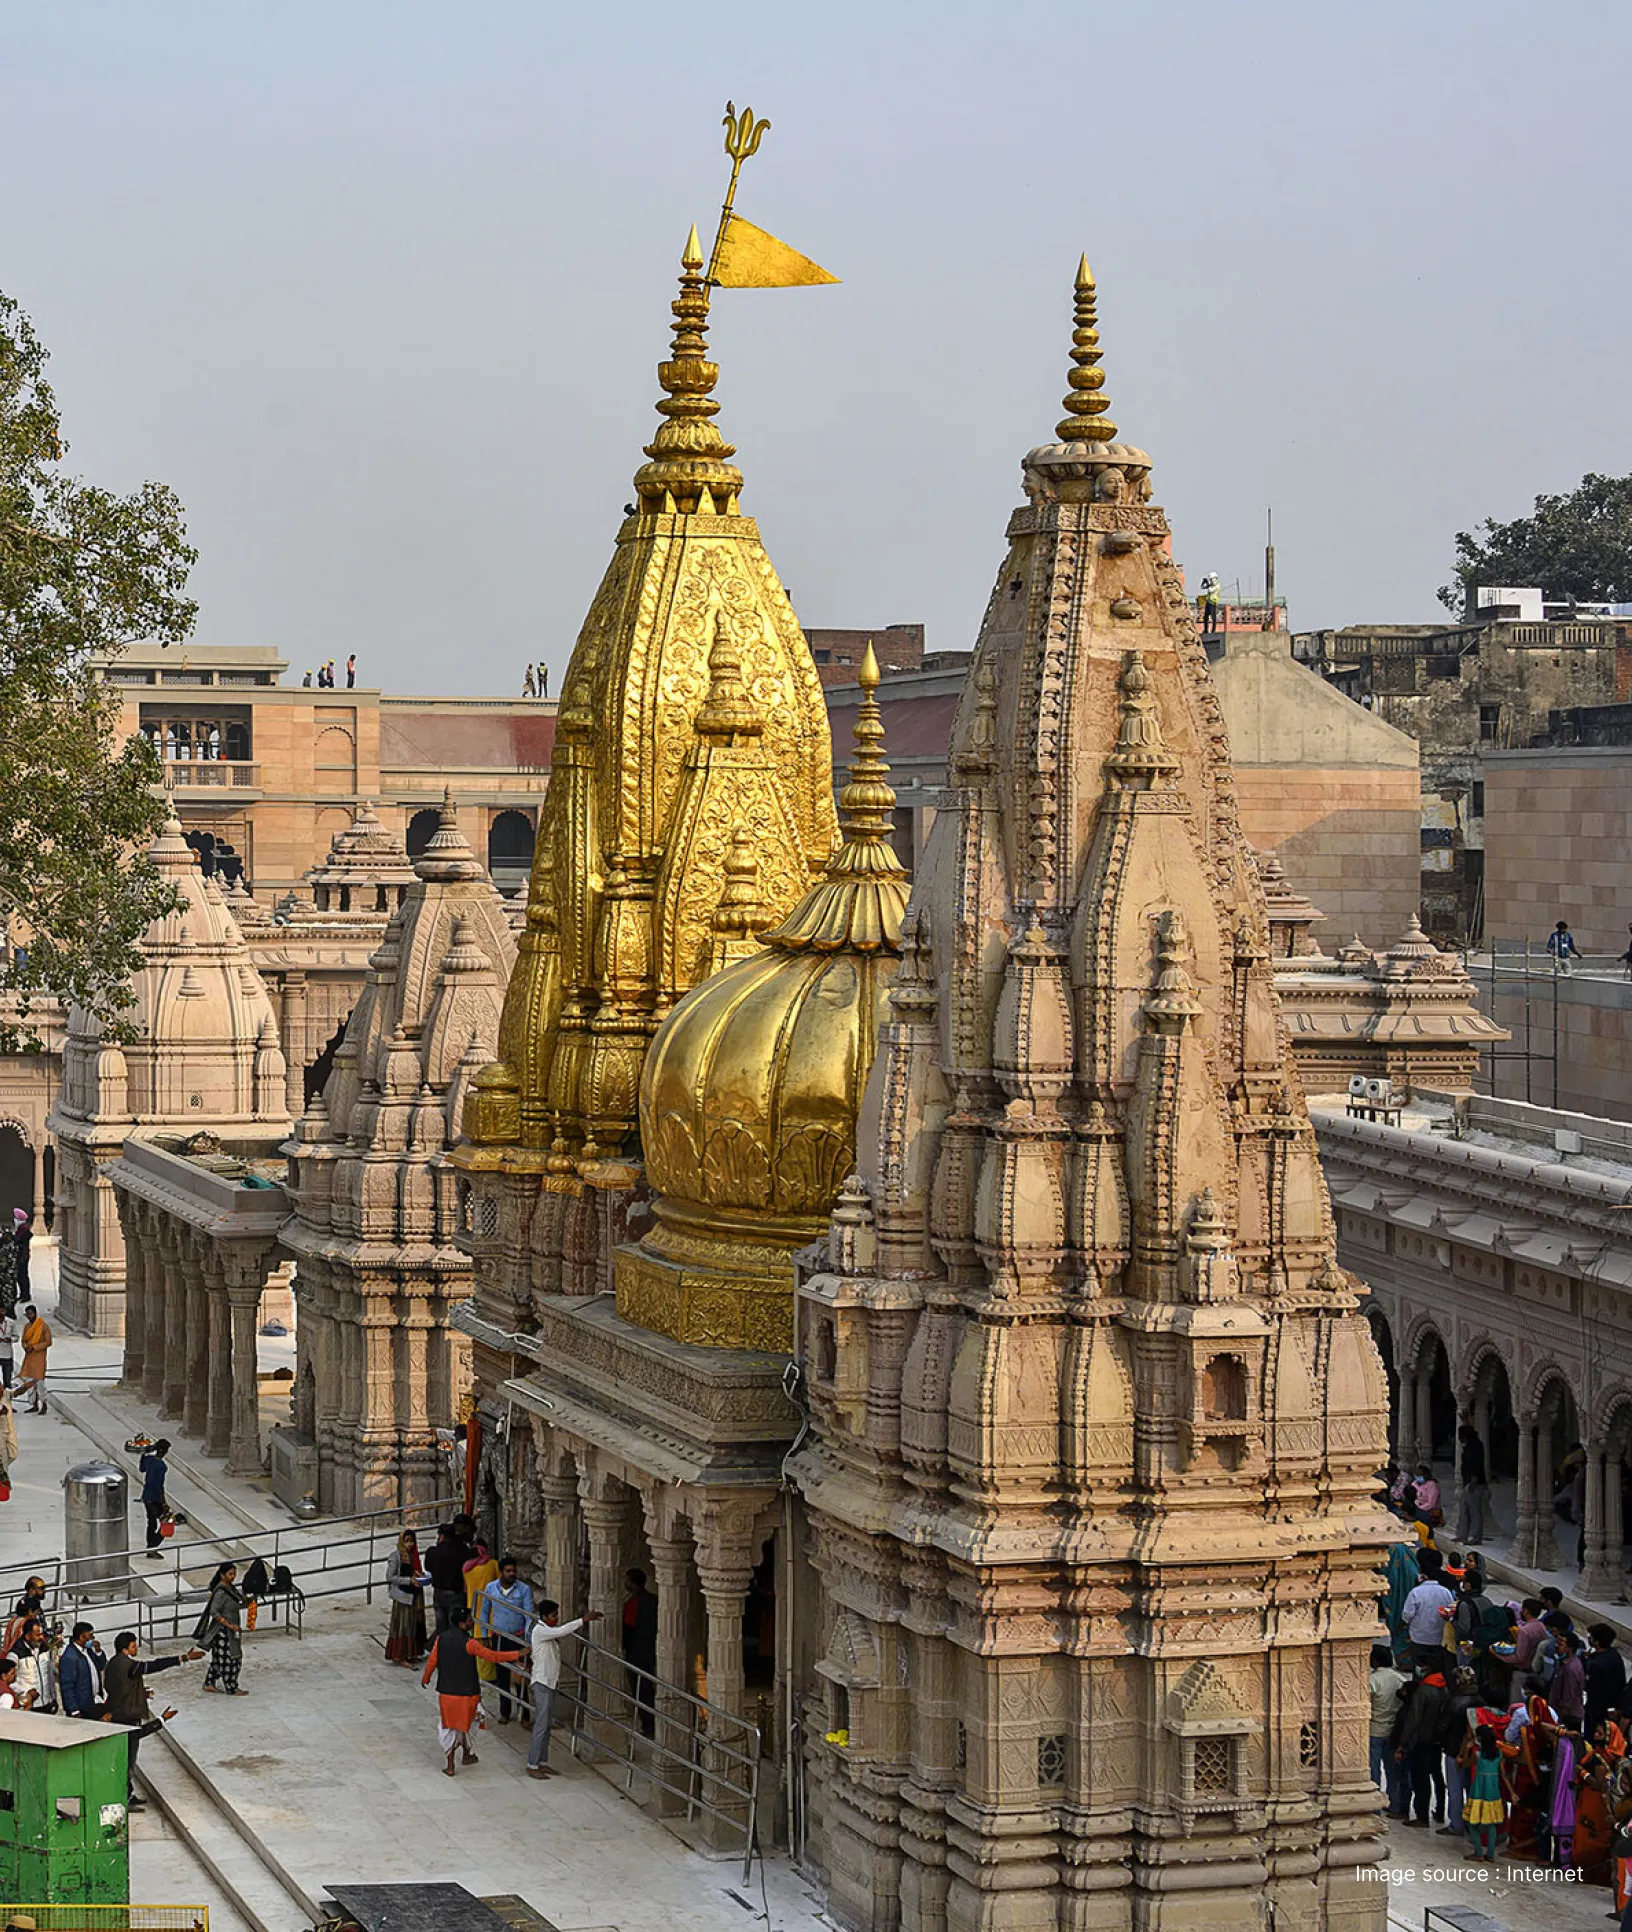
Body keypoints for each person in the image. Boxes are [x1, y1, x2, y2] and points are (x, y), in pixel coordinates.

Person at [419, 1605, 523, 1778]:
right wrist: (517, 1654)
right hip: (468, 1694)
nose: (472, 1622)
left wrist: (426, 1677)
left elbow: (432, 1661)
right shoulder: (470, 1644)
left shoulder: (441, 1639)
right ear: (461, 1624)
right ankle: (465, 1754)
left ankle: (452, 1763)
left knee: (449, 1726)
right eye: (469, 1620)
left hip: (446, 1693)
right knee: (468, 1724)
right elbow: (493, 1656)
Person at [105, 1630, 202, 1807]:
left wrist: (140, 1694)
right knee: (127, 1761)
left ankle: (127, 1793)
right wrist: (182, 1658)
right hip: (127, 1717)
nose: (136, 1649)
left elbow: (121, 1689)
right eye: (134, 1646)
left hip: (117, 1712)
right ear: (125, 1650)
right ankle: (123, 1797)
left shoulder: (112, 1664)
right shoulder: (128, 1665)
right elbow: (154, 1666)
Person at [526, 1599, 600, 1780]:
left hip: (550, 1683)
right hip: (542, 1683)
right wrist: (584, 1620)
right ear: (544, 1616)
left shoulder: (546, 1632)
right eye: (553, 1615)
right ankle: (532, 1763)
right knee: (541, 1726)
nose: (556, 1618)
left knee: (546, 1725)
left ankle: (542, 1762)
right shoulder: (540, 1630)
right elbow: (561, 1631)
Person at [478, 1555, 534, 1723]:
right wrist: (485, 1634)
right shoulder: (491, 1588)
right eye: (508, 1571)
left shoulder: (523, 1589)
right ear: (501, 1572)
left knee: (520, 1677)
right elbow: (484, 1611)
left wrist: (528, 1640)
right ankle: (504, 1712)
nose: (511, 1574)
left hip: (517, 1638)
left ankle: (524, 1715)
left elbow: (529, 1615)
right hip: (499, 1636)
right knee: (501, 1676)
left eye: (514, 1571)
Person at [1395, 1666, 1451, 1826]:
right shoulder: (1443, 1688)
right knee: (1437, 1776)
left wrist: (1403, 1744)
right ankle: (1440, 1812)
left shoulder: (1423, 1691)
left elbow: (1413, 1719)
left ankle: (1422, 1816)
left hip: (1422, 1740)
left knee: (1421, 1779)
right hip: (1437, 1739)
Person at [1462, 1723, 1512, 1862]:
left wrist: (1466, 1750)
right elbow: (1503, 1775)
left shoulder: (1478, 1755)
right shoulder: (1499, 1755)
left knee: (1472, 1823)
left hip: (1479, 1792)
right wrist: (1511, 1792)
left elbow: (1464, 1764)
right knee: (1492, 1824)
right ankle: (1490, 1854)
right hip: (1493, 1793)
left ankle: (1478, 1852)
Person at [1369, 1643, 1409, 1813]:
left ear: (1375, 1661)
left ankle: (1374, 1804)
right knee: (1392, 1770)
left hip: (1374, 1731)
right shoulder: (1400, 1679)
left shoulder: (1373, 1680)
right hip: (1393, 1732)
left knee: (1374, 1770)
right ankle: (1394, 1802)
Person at [195, 1561, 246, 1695]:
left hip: (229, 1629)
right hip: (223, 1632)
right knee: (231, 1659)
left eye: (234, 1574)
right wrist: (229, 1625)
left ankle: (209, 1683)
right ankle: (231, 1687)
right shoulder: (221, 1592)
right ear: (222, 1575)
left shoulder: (230, 1588)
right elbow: (214, 1611)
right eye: (230, 1574)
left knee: (219, 1659)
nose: (233, 1576)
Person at [1402, 1550, 1457, 1672]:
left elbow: (1407, 1615)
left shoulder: (1415, 1593)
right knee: (1437, 1671)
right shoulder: (1445, 1592)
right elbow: (1450, 1611)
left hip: (1419, 1638)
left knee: (1419, 1671)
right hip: (1439, 1638)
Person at [621, 1566, 658, 1738]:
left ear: (634, 1584)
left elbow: (628, 1629)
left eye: (627, 1580)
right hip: (652, 1649)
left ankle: (649, 1726)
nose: (625, 1583)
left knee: (641, 1689)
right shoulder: (654, 1600)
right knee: (649, 1688)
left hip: (636, 1652)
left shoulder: (632, 1604)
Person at [384, 1530, 428, 1667]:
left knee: (413, 1625)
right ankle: (400, 1654)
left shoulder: (413, 1556)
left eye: (412, 1541)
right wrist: (409, 1580)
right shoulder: (396, 1556)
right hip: (402, 1597)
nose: (410, 1544)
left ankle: (411, 1653)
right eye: (407, 1540)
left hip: (414, 1596)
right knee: (403, 1626)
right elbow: (390, 1577)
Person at [424, 1521, 474, 1635]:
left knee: (441, 1626)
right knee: (456, 1625)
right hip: (456, 1593)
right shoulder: (462, 1551)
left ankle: (443, 1649)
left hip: (439, 1592)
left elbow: (428, 1567)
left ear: (441, 1536)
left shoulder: (433, 1552)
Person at [1586, 1624, 1628, 1740]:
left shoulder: (1597, 1664)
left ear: (1597, 1641)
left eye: (1591, 1636)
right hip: (1612, 1705)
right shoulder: (1614, 1655)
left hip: (1597, 1707)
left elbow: (1591, 1687)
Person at [58, 1622, 107, 1718]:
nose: (93, 1638)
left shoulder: (88, 1651)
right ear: (81, 1637)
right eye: (90, 1635)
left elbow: (101, 1665)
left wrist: (98, 1651)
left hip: (95, 1702)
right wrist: (74, 1710)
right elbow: (67, 1686)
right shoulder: (70, 1657)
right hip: (82, 1708)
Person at [10, 1615, 57, 1713]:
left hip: (47, 1703)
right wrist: (25, 1693)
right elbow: (7, 1679)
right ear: (27, 1636)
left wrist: (54, 1698)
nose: (41, 1637)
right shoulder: (15, 1654)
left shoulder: (44, 1649)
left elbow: (50, 1675)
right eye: (37, 1635)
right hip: (30, 1705)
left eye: (41, 1634)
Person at [1455, 1419, 1490, 1543]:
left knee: (1474, 1510)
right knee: (1464, 1509)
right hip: (1467, 1481)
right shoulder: (1470, 1444)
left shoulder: (1475, 1446)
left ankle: (1475, 1536)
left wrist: (1474, 1479)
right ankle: (1462, 1534)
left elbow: (1476, 1463)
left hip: (1475, 1482)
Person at [139, 1440, 171, 1559]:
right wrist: (164, 1503)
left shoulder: (149, 1460)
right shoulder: (161, 1466)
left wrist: (143, 1455)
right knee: (166, 1522)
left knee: (151, 1523)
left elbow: (142, 1469)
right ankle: (152, 1547)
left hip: (146, 1496)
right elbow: (159, 1485)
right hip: (155, 1498)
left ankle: (150, 1548)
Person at [17, 1304, 50, 1413]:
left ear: (35, 1313)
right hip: (29, 1357)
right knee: (29, 1381)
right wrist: (26, 1347)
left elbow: (48, 1342)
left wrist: (35, 1347)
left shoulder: (43, 1326)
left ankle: (44, 1404)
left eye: (30, 1314)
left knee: (39, 1382)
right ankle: (34, 1404)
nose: (29, 1316)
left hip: (39, 1357)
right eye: (27, 1314)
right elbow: (23, 1340)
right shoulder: (26, 1326)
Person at [1552, 1629, 1587, 1730]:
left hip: (1568, 1716)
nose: (1556, 1646)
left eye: (1560, 1644)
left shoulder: (1570, 1669)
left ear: (1569, 1648)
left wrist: (1559, 1721)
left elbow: (1568, 1698)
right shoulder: (1564, 1662)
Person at [11, 1213, 29, 1303]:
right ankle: (22, 1294)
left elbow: (19, 1240)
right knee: (19, 1276)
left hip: (23, 1256)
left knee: (23, 1276)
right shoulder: (20, 1228)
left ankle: (26, 1295)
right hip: (21, 1255)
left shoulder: (24, 1229)